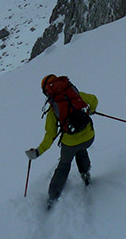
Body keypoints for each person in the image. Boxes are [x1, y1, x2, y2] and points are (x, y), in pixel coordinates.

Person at [25, 74, 98, 210]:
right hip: (89, 137)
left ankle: (53, 196)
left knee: (64, 164)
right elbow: (93, 99)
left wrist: (37, 152)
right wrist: (91, 111)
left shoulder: (54, 108)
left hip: (70, 144)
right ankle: (85, 174)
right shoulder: (75, 94)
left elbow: (50, 136)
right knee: (81, 149)